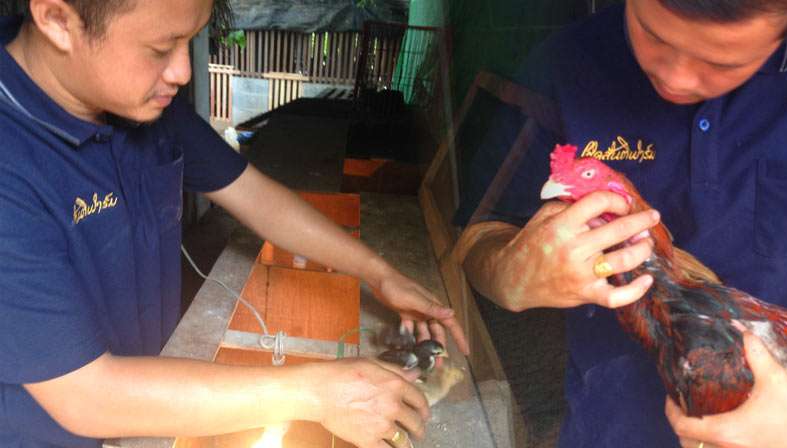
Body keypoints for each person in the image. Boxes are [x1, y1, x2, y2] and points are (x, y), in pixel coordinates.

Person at [0, 0, 470, 447]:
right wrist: (315, 393)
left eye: (188, 41)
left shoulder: (134, 102)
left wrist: (379, 273)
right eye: (160, 48)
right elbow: (86, 395)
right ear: (58, 20)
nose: (183, 72)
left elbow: (255, 196)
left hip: (159, 393)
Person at [455, 0, 787, 447]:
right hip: (605, 425)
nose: (675, 77)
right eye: (652, 33)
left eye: (723, 61)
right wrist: (510, 274)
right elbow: (477, 233)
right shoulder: (562, 64)